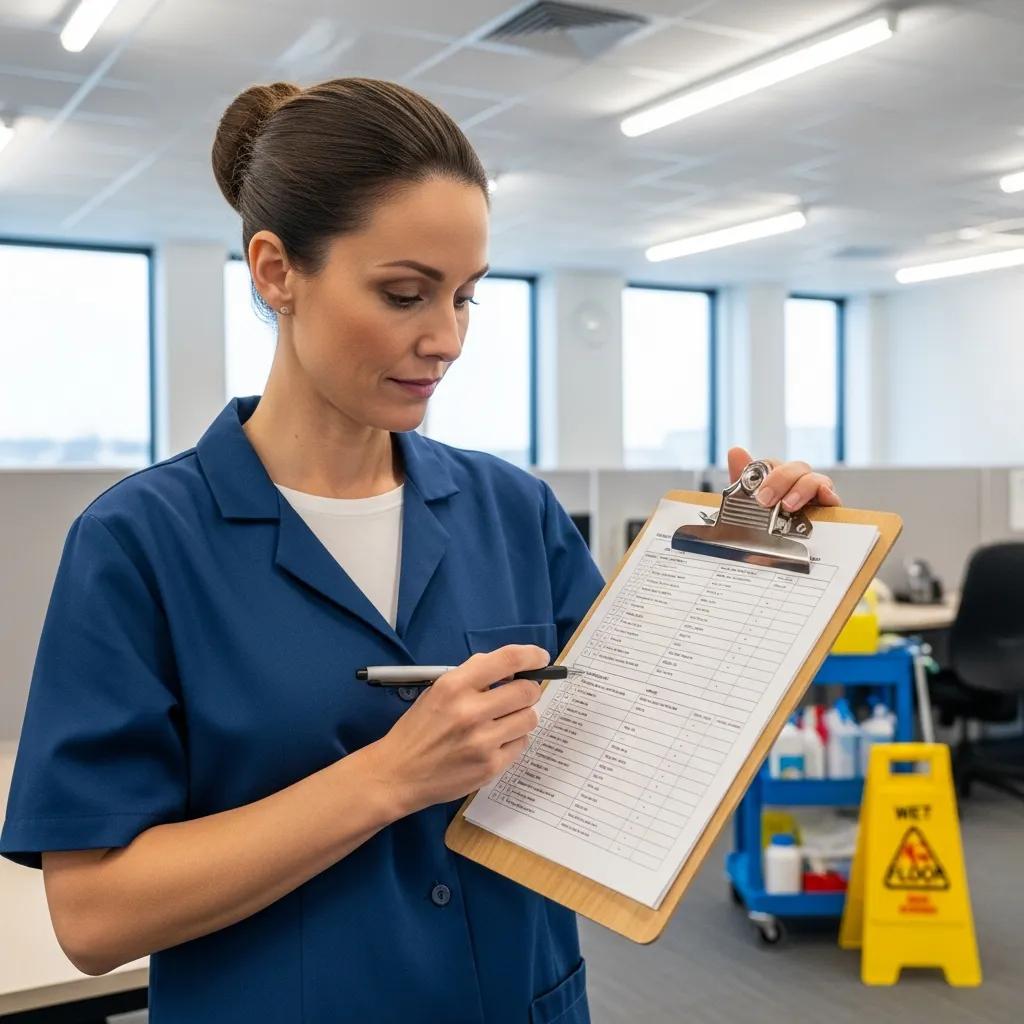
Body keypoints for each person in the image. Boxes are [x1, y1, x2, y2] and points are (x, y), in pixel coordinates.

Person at [0, 78, 841, 1023]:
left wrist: (748, 577)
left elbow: (635, 752)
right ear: (276, 272)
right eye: (404, 294)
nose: (445, 340)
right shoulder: (140, 544)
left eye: (467, 297)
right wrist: (390, 778)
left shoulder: (513, 510)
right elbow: (93, 915)